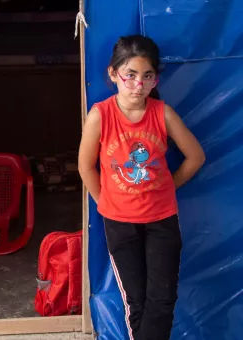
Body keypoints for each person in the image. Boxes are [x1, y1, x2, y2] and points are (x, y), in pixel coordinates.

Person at [78, 35, 206, 340]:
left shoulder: (163, 113)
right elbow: (85, 166)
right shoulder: (101, 115)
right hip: (120, 225)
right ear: (113, 74)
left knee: (161, 300)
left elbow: (195, 157)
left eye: (147, 76)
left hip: (161, 221)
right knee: (136, 301)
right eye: (130, 75)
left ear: (155, 79)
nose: (138, 85)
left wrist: (166, 188)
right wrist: (106, 203)